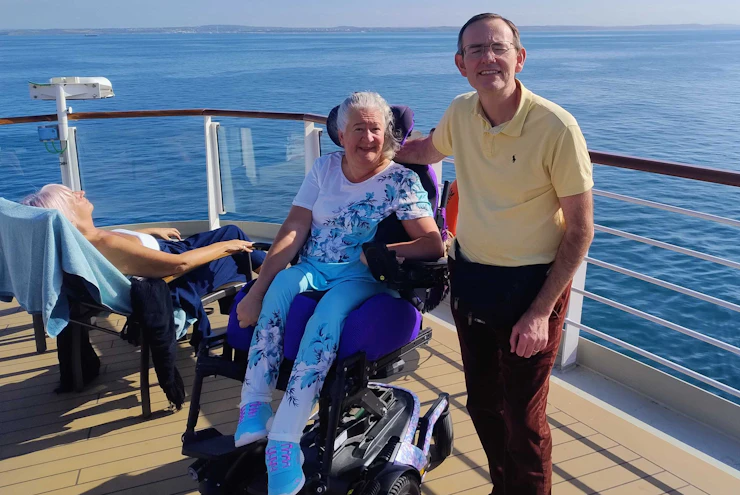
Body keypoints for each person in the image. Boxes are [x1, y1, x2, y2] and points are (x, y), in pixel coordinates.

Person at [395, 13, 594, 495]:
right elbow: (427, 150)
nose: (488, 58)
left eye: (498, 48)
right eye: (476, 50)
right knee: (484, 404)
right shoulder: (461, 111)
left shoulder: (556, 127)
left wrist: (540, 312)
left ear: (519, 58)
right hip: (472, 279)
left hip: (532, 289)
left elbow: (581, 230)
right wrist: (372, 150)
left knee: (523, 419)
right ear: (461, 64)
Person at [231, 92, 444, 495]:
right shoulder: (325, 168)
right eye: (358, 129)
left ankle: (284, 442)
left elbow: (433, 245)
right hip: (313, 266)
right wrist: (258, 289)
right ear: (342, 135)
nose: (368, 138)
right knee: (278, 290)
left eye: (375, 129)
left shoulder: (400, 180)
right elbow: (295, 227)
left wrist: (380, 252)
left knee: (326, 317)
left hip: (361, 278)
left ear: (387, 133)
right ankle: (254, 405)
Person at [21, 183, 265, 339]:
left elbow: (124, 249)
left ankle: (257, 291)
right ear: (69, 215)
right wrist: (225, 247)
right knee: (236, 248)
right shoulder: (103, 243)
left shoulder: (83, 240)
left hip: (167, 251)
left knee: (232, 234)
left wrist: (147, 233)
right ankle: (262, 298)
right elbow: (179, 265)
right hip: (174, 277)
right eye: (73, 197)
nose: (81, 192)